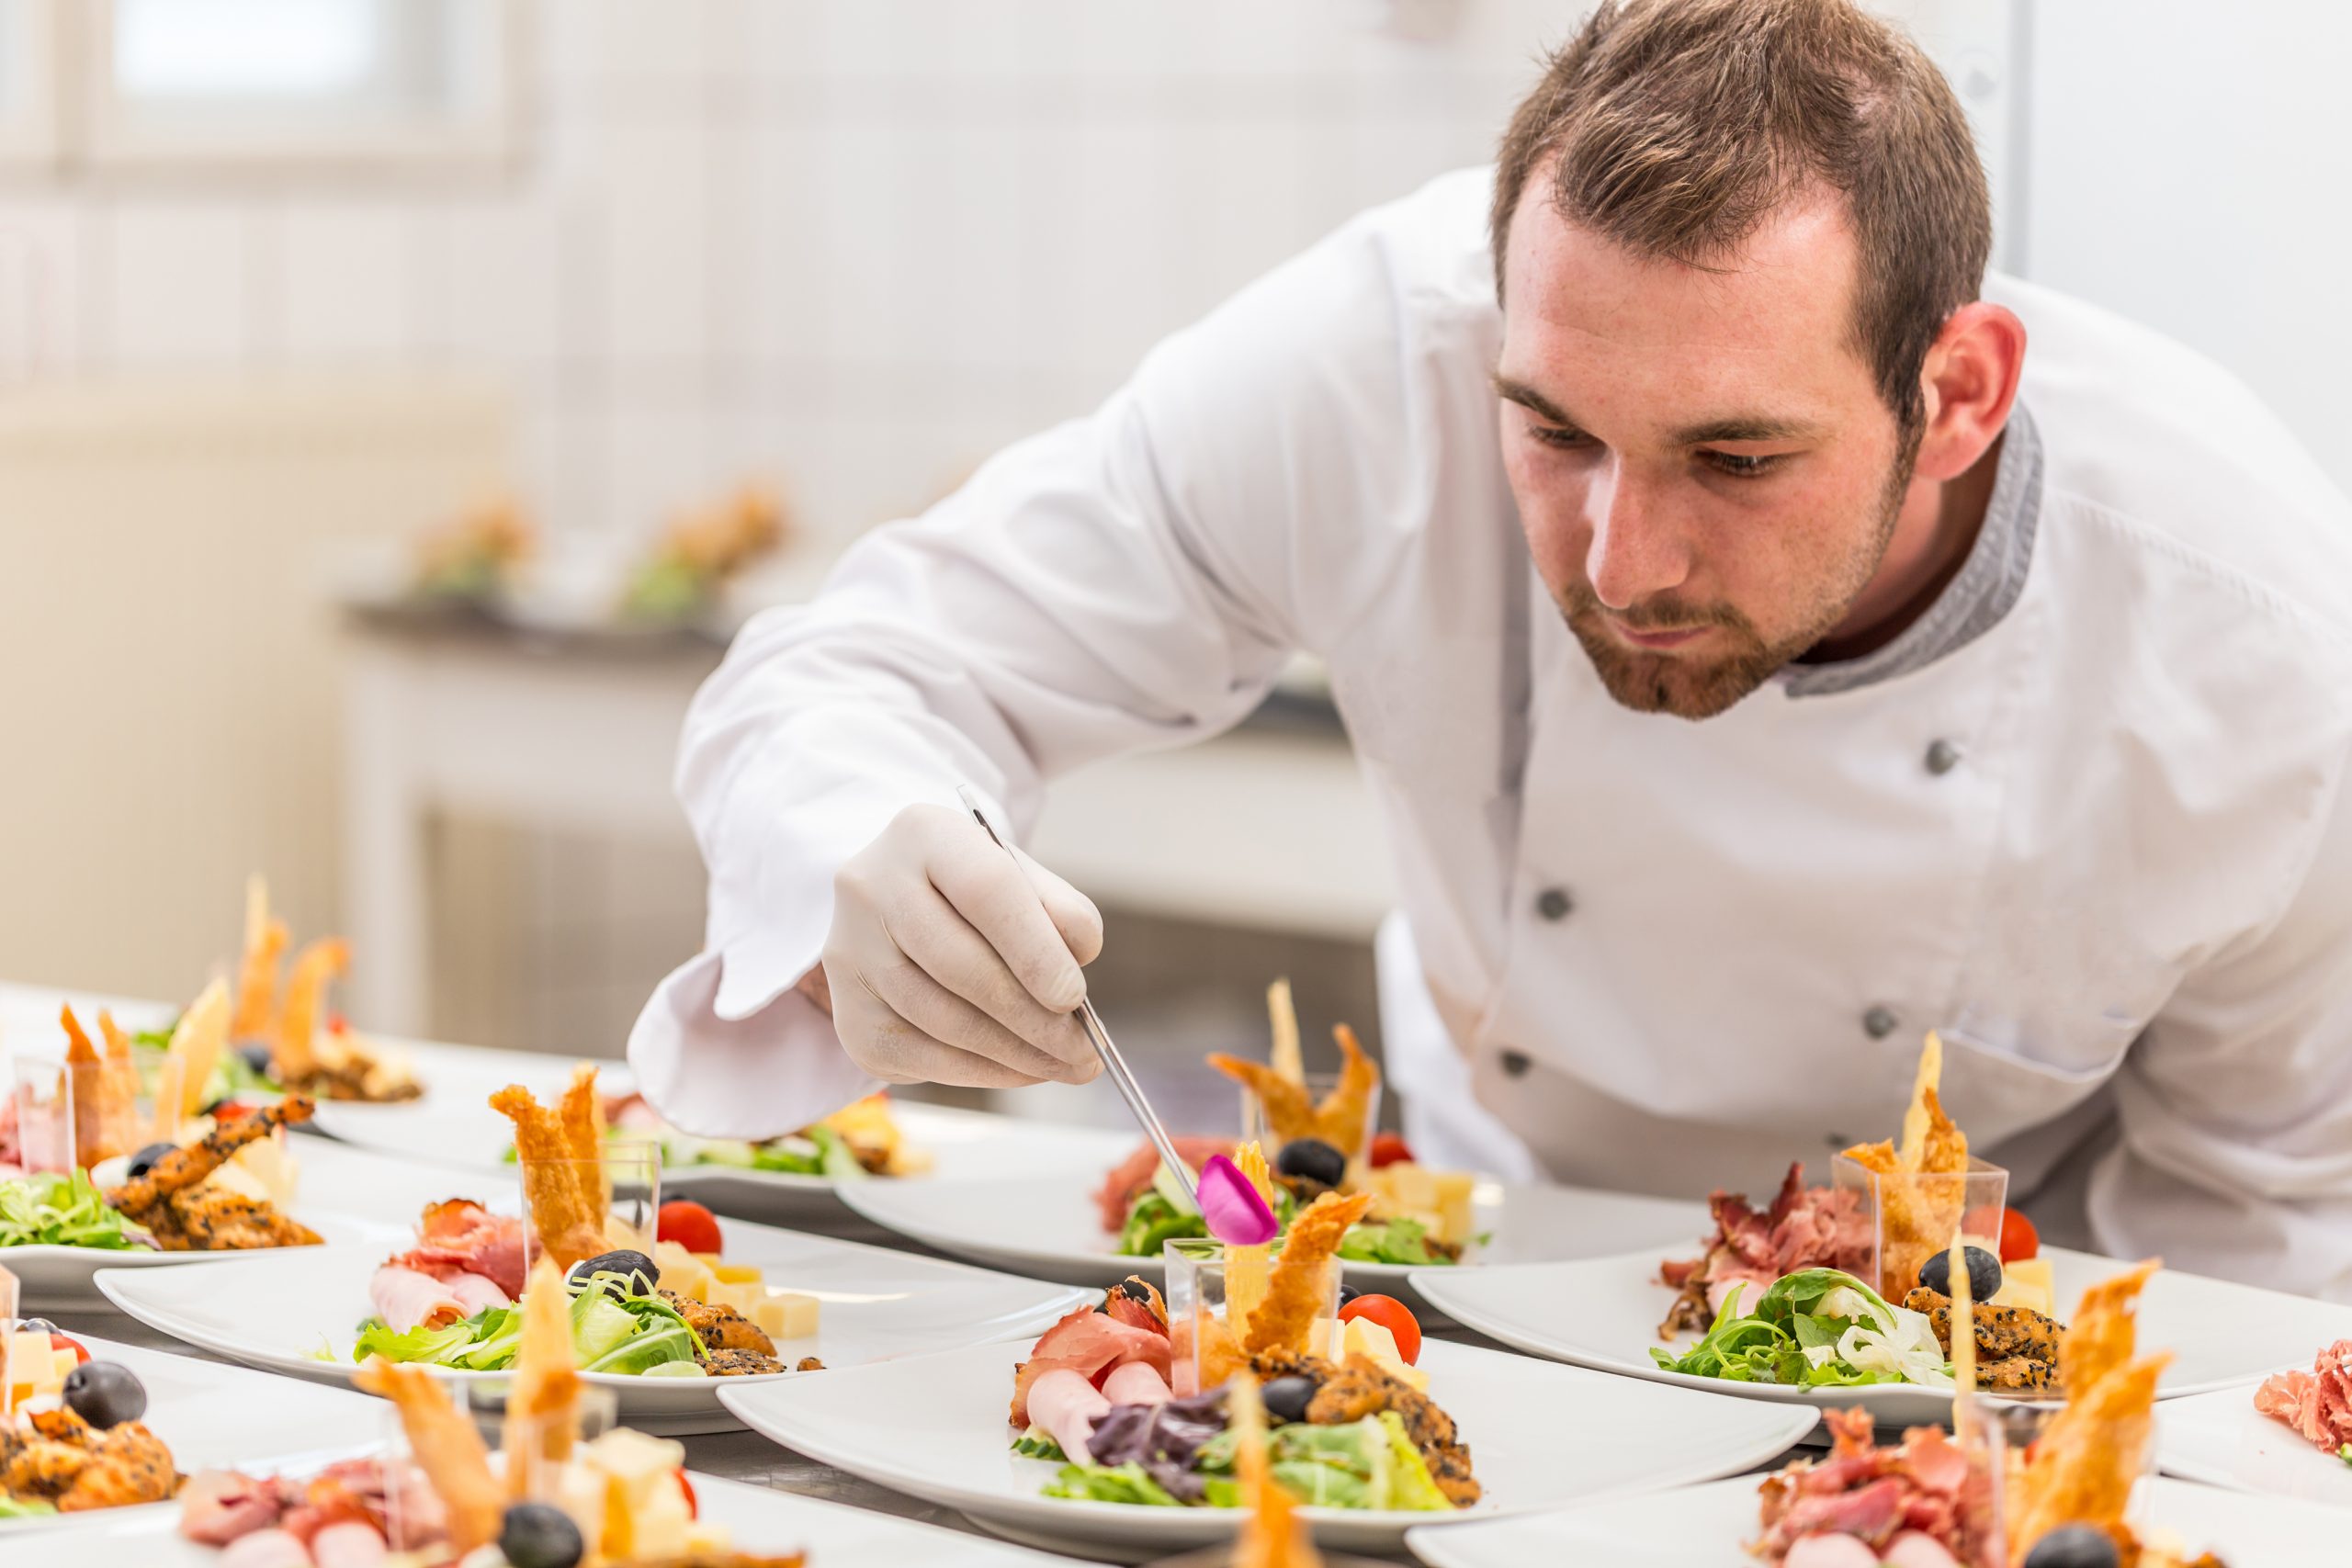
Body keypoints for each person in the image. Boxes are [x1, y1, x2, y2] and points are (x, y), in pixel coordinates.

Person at [629, 0, 2352, 1300]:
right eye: (1555, 431)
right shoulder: (1374, 358)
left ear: (1958, 394)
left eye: (1736, 459)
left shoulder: (2253, 646)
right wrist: (868, 835)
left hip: (1947, 1377)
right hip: (1461, 1275)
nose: (1623, 561)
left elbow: (2251, 1249)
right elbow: (851, 670)